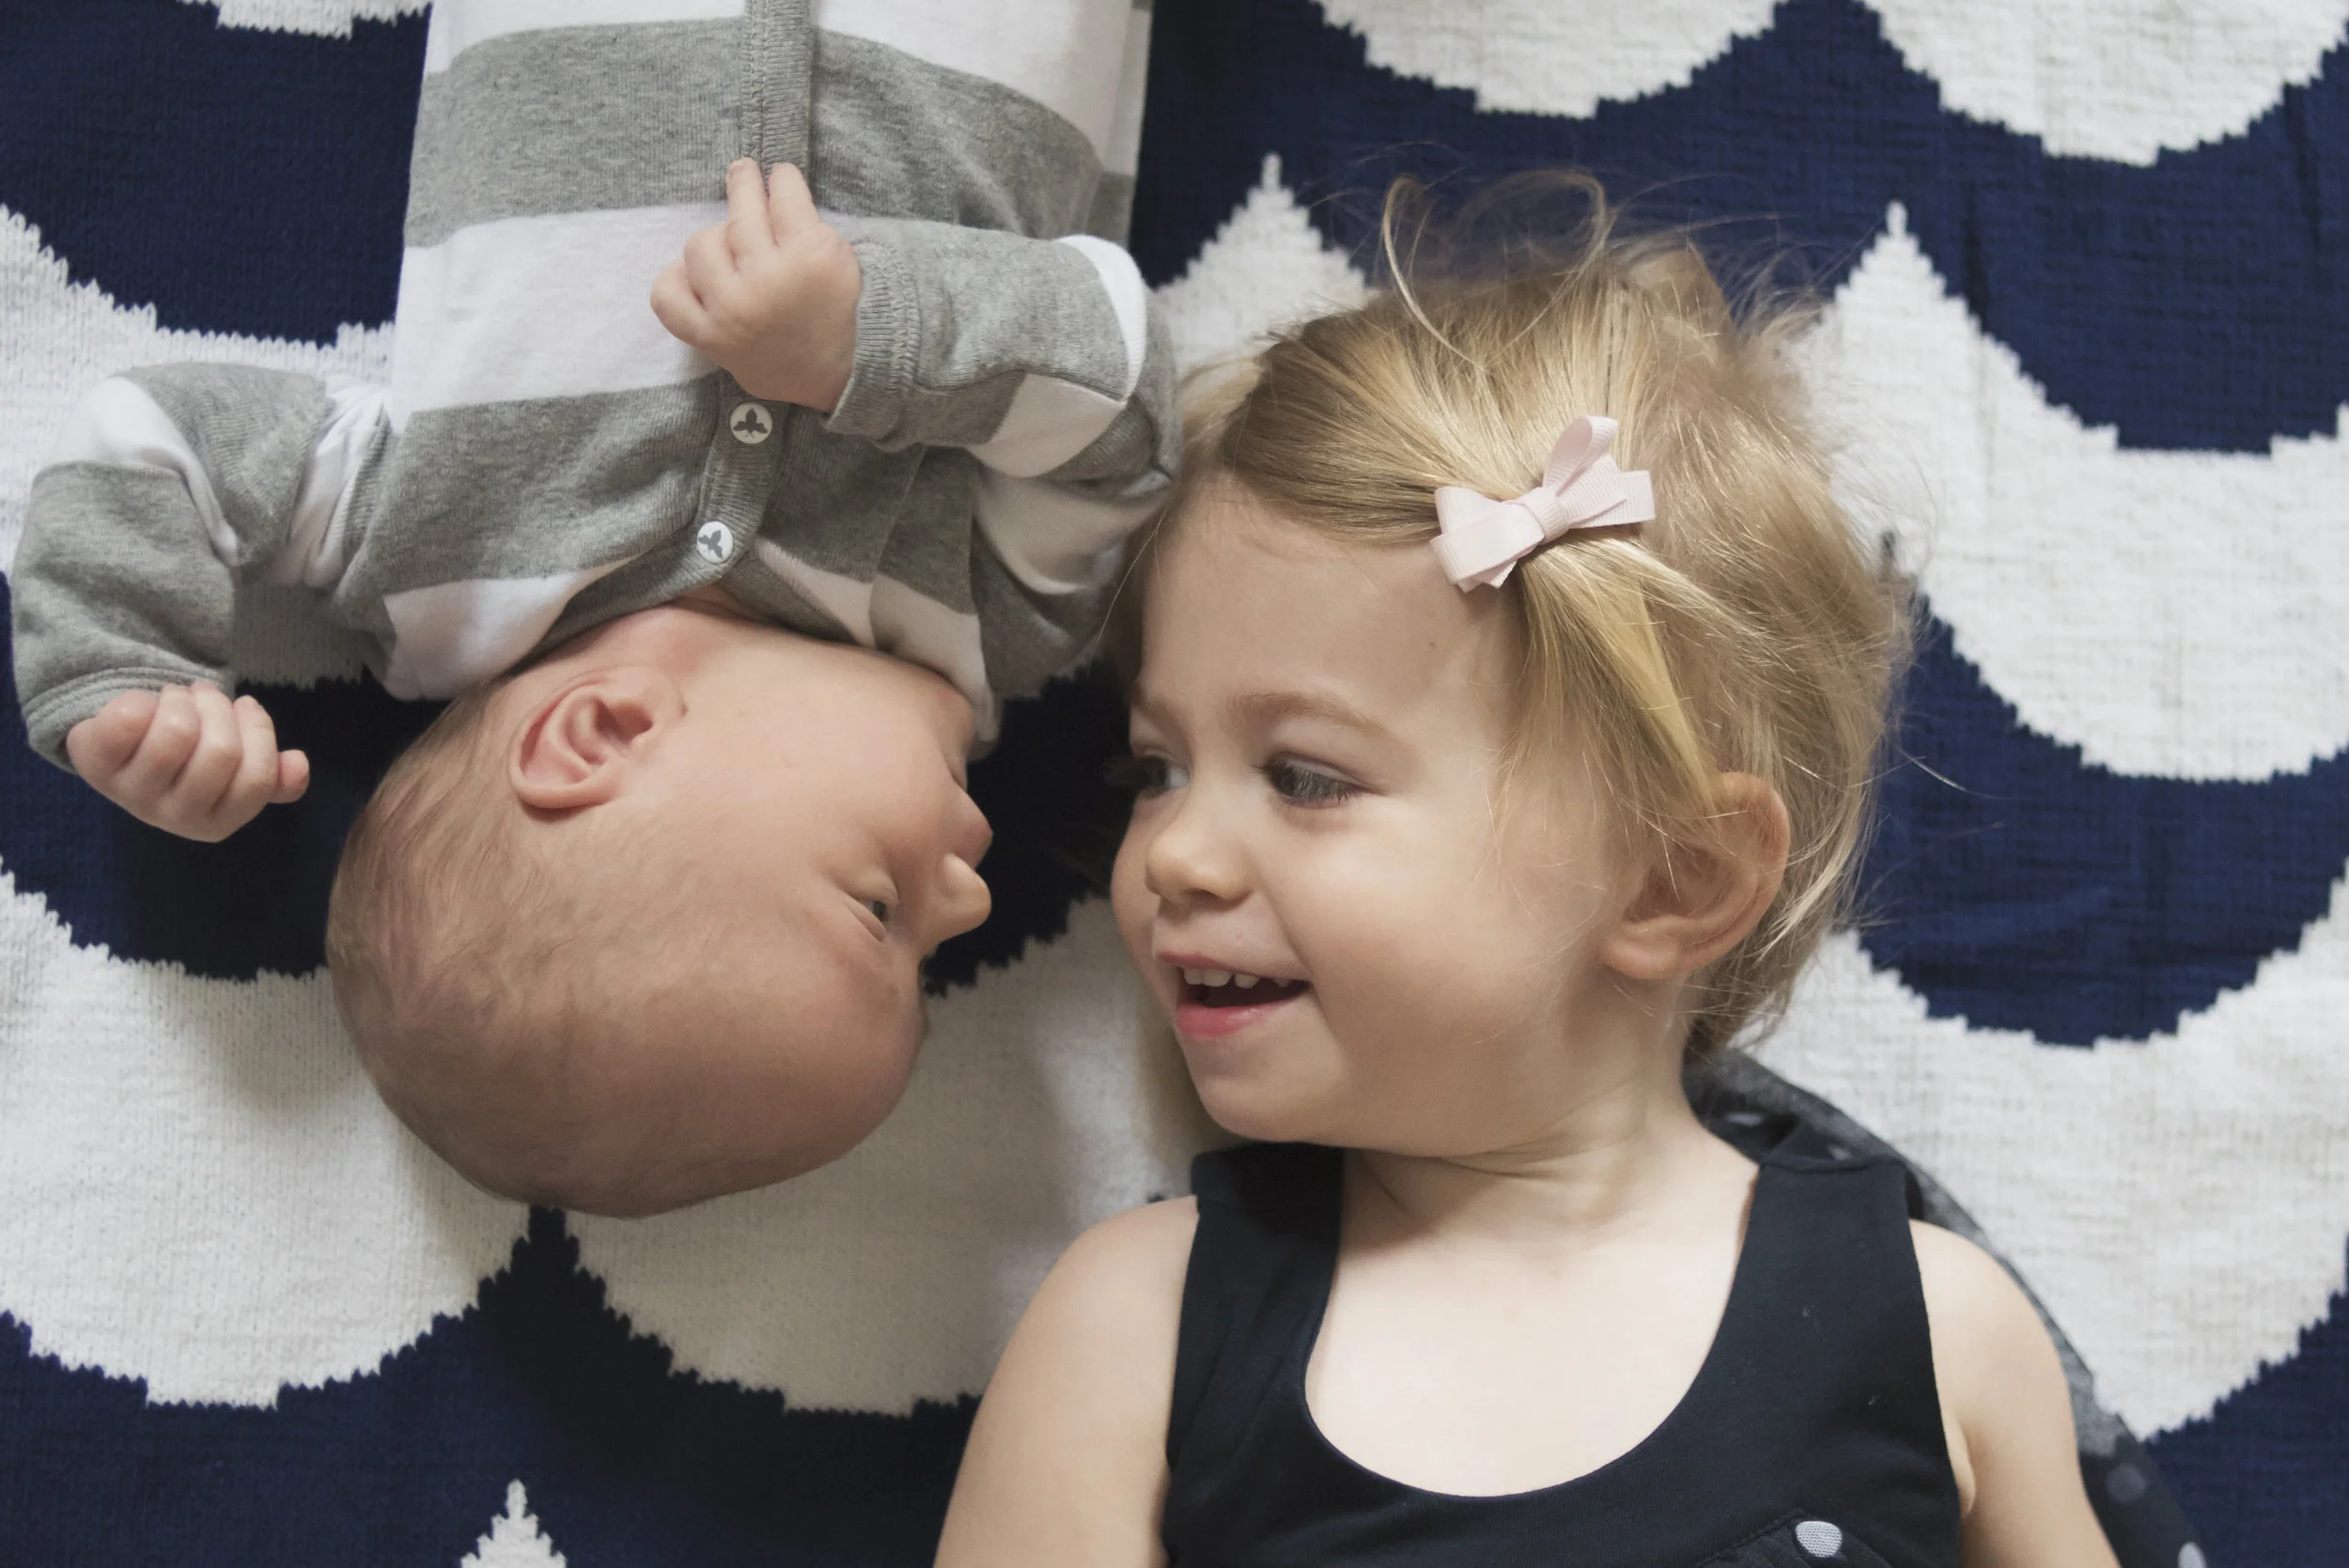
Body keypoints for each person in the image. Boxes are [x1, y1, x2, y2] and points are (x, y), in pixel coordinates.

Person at [933, 182, 2120, 1567]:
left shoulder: (1934, 1332)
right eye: (1159, 767)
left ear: (1674, 879)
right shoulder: (1138, 1328)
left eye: (1306, 778)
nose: (1173, 855)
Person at [8, 0, 1173, 1216]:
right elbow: (1129, 401)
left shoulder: (433, 565)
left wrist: (125, 670)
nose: (971, 899)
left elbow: (152, 443)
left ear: (596, 736)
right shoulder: (988, 623)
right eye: (935, 961)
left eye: (880, 912)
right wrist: (874, 337)